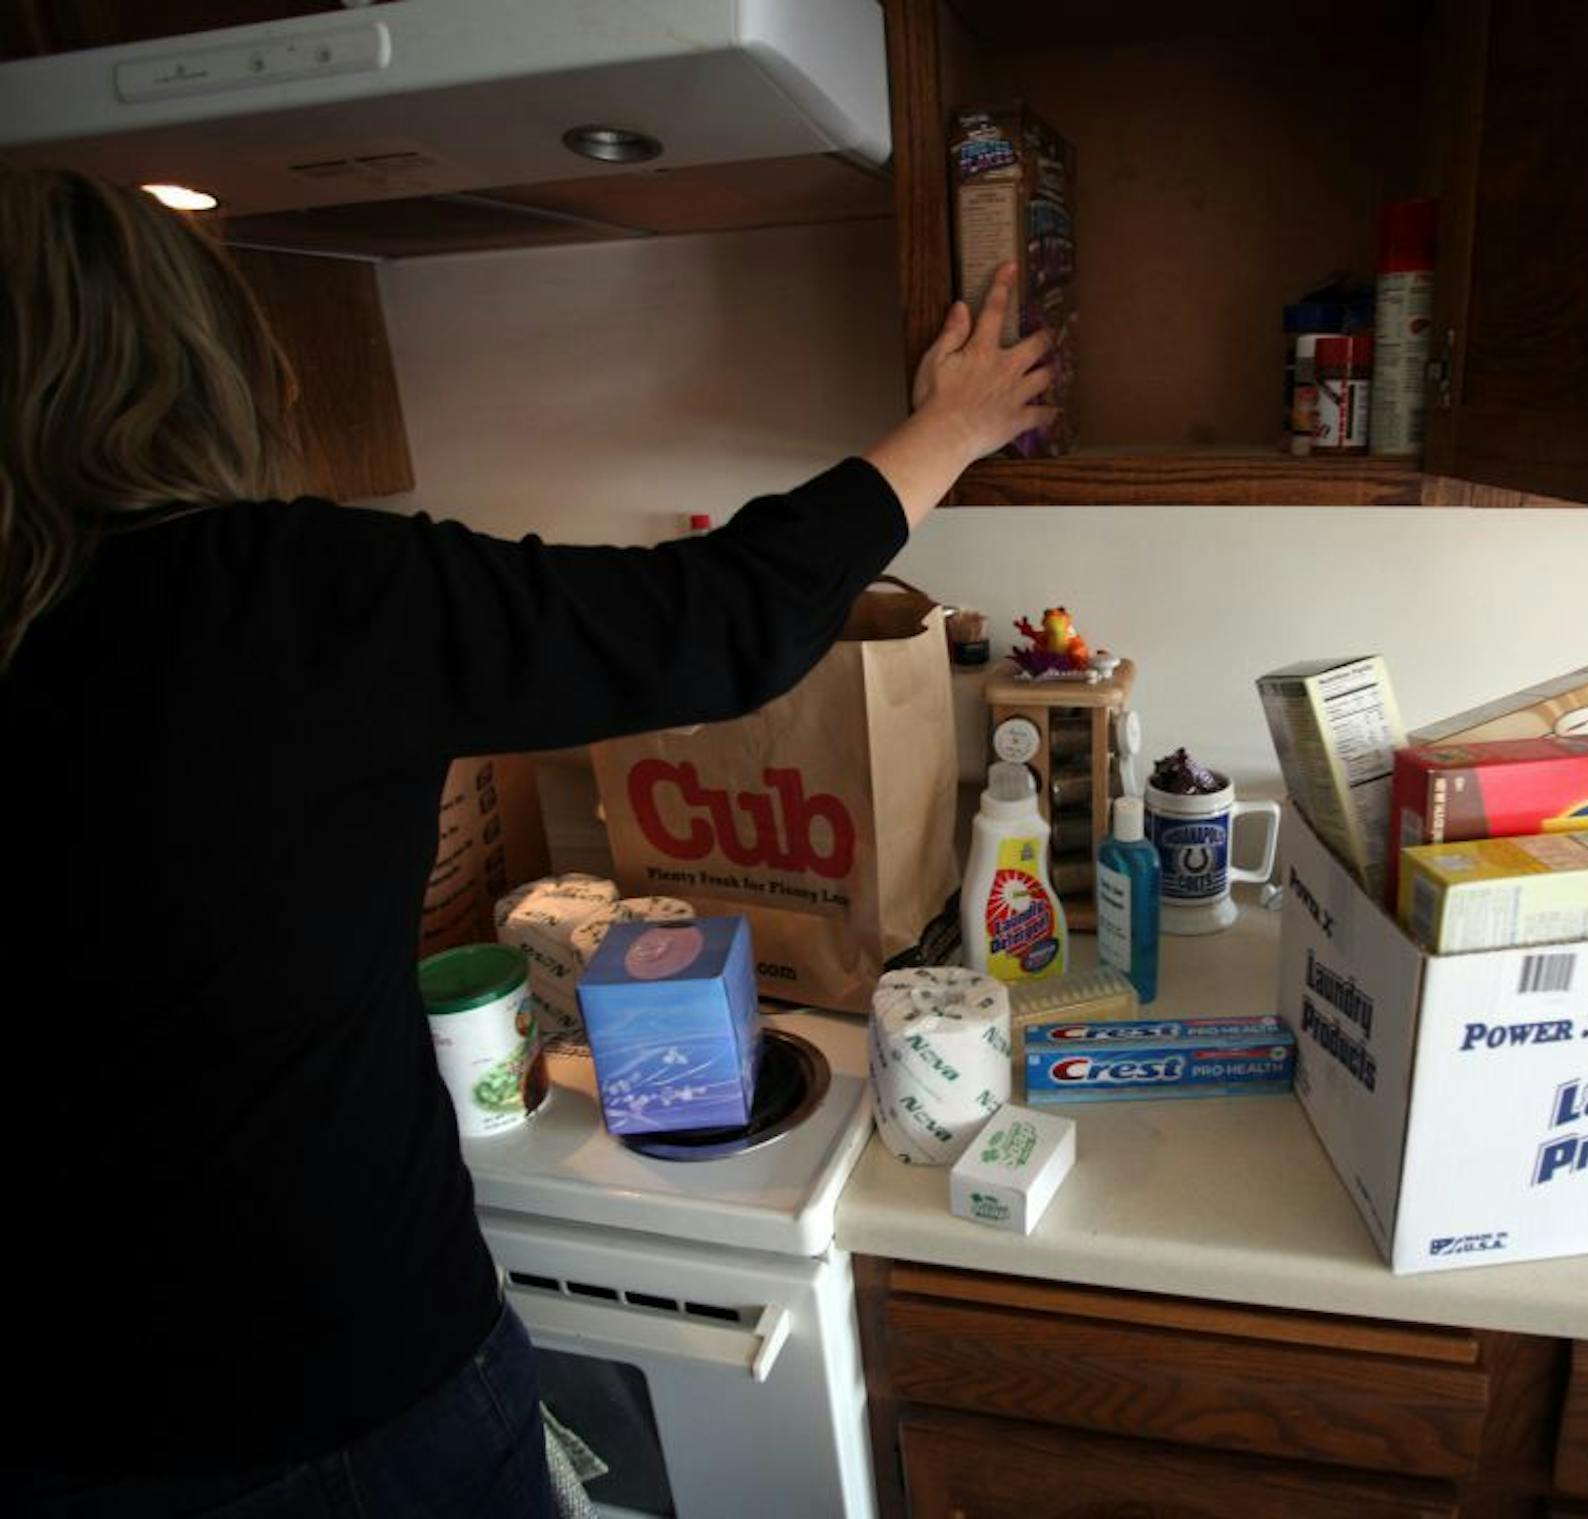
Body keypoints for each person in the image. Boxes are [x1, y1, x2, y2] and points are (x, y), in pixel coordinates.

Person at [0, 165, 1051, 1516]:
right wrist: (947, 430)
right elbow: (707, 620)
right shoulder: (275, 594)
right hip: (340, 1393)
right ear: (197, 366)